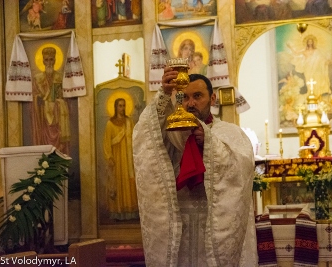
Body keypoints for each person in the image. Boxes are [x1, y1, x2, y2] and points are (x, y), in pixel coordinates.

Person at [132, 70, 258, 266]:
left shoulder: (229, 132)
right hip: (179, 226)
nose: (190, 103)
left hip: (214, 224)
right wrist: (164, 94)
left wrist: (209, 142)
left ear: (212, 99)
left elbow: (241, 170)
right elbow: (147, 138)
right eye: (184, 97)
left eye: (198, 96)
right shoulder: (173, 134)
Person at [103, 98, 138, 221]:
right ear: (115, 107)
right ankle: (117, 212)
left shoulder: (129, 122)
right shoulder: (110, 123)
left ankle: (130, 212)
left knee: (129, 183)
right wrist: (109, 157)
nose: (122, 108)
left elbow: (135, 138)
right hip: (117, 158)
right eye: (120, 106)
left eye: (123, 106)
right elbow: (107, 142)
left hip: (128, 158)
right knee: (118, 183)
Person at [32, 47, 70, 154]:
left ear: (55, 60)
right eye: (47, 60)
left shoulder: (60, 78)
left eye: (51, 59)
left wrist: (60, 102)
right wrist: (39, 100)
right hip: (44, 120)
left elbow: (66, 99)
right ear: (43, 61)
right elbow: (33, 101)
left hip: (58, 120)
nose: (49, 63)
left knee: (59, 149)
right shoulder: (37, 78)